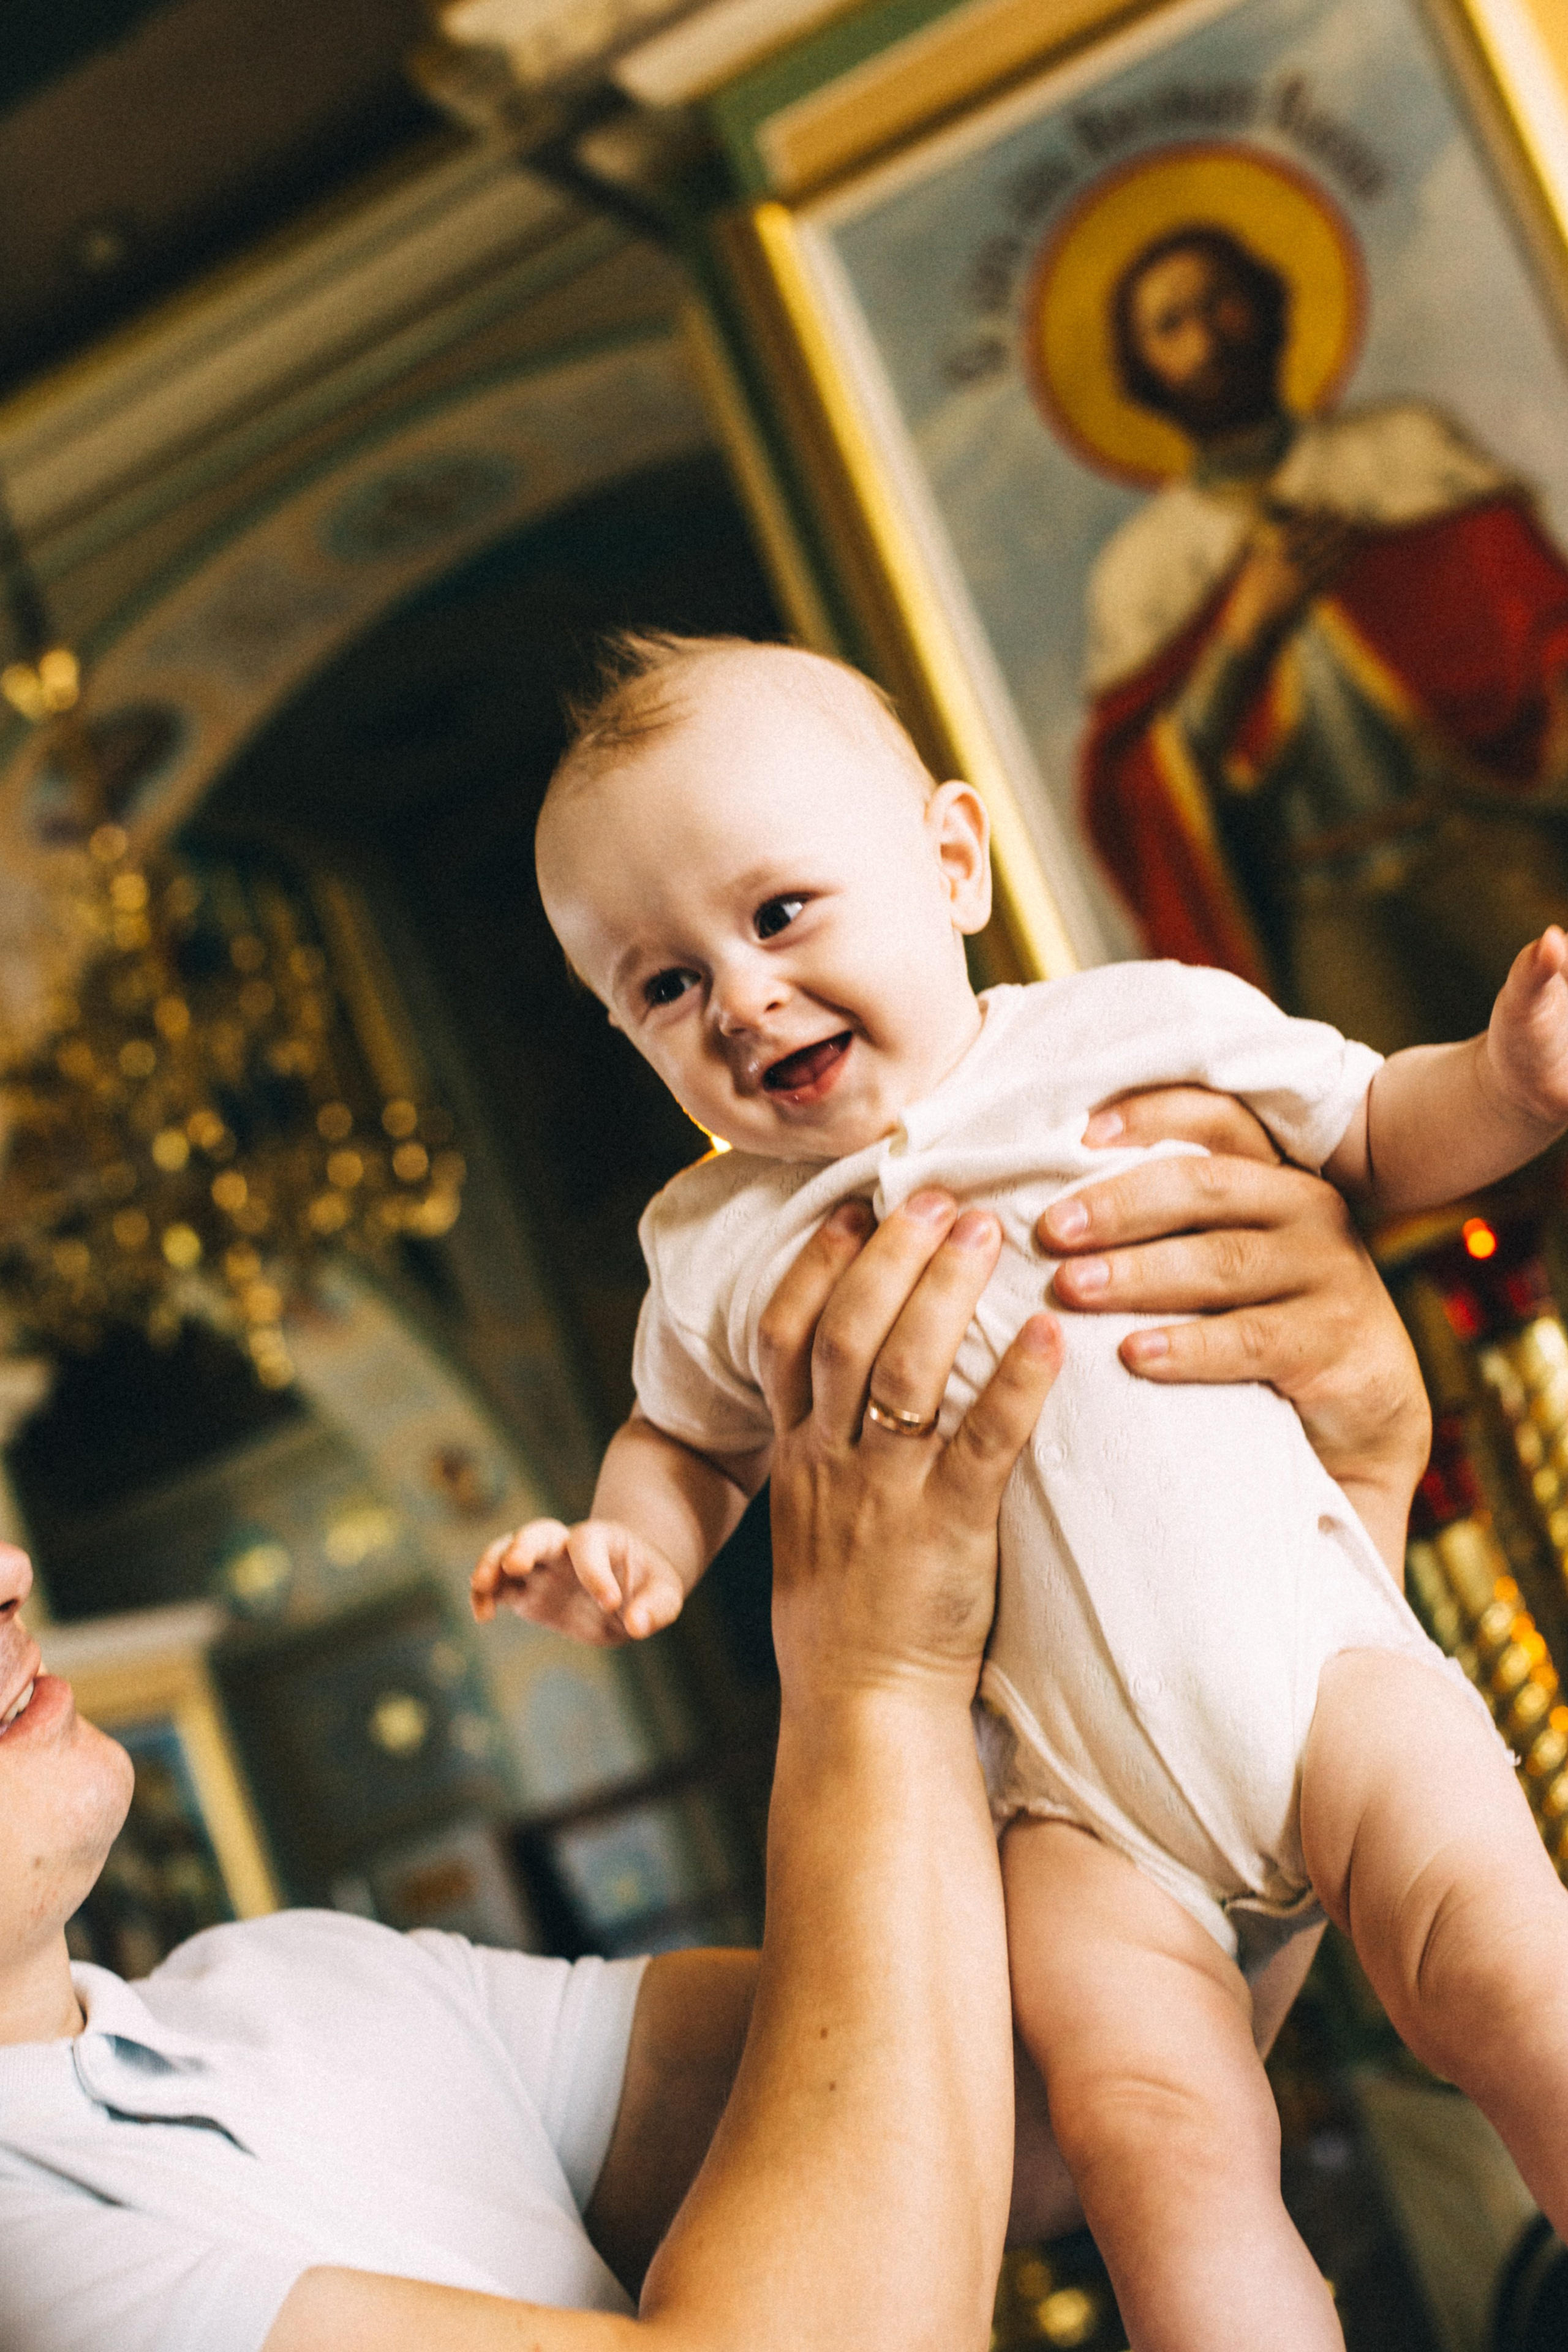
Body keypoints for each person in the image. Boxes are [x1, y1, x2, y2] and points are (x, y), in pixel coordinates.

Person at [473, 632, 1568, 2352]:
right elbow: (684, 1446)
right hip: (1067, 1817)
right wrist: (625, 1549)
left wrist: (1507, 1083)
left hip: (1316, 1668)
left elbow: (1371, 1130)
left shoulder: (1135, 1032)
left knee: (1513, 1984)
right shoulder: (708, 1243)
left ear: (956, 863)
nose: (741, 1000)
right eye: (662, 987)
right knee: (1161, 2149)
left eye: (777, 918)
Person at [0, 1086, 1427, 2352]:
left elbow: (1041, 2095)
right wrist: (870, 1689)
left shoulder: (296, 1995)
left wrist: (1310, 1526)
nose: (7, 1578)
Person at [1077, 222, 1568, 1051]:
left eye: (1221, 300)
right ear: (1142, 371)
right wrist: (1242, 639)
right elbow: (1145, 795)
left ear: (1267, 307)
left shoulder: (1404, 450)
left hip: (1487, 843)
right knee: (1407, 1158)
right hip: (1328, 921)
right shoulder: (1141, 573)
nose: (1207, 337)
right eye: (1170, 324)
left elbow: (1542, 629)